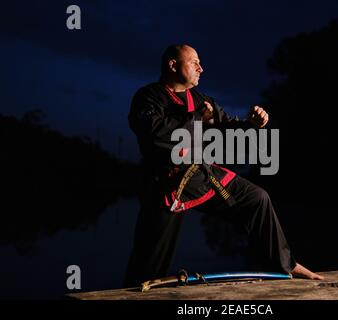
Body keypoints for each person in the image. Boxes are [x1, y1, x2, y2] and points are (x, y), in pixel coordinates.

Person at [125, 44, 323, 287]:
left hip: (201, 175)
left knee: (257, 198)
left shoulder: (200, 99)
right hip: (166, 184)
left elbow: (226, 126)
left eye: (200, 62)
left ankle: (286, 265)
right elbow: (158, 135)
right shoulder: (148, 97)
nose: (201, 68)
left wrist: (251, 125)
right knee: (149, 262)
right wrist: (198, 119)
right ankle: (133, 291)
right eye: (194, 62)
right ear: (173, 65)